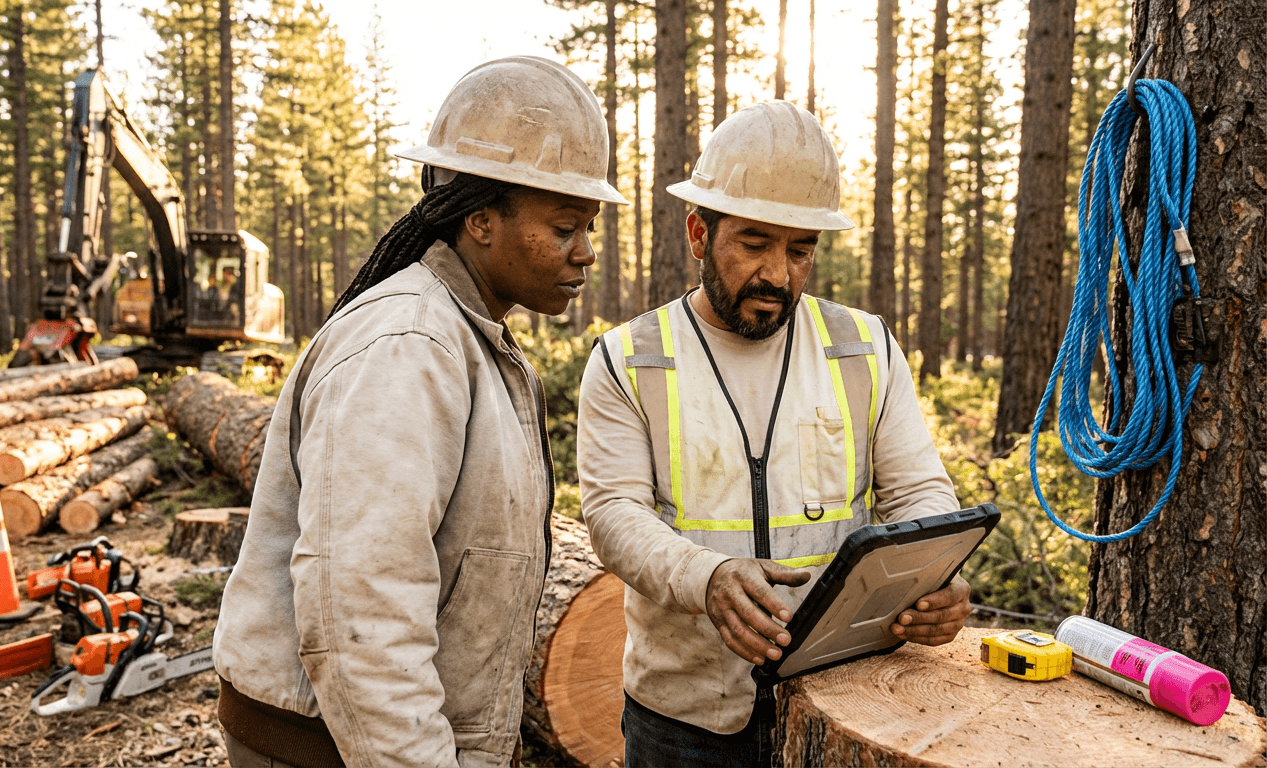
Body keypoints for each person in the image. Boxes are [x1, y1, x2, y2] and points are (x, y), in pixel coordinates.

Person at [213, 56, 626, 768]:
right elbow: (360, 611)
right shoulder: (408, 345)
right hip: (329, 747)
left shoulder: (469, 337)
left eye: (587, 226)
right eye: (565, 226)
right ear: (482, 219)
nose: (585, 252)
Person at [576, 100, 966, 768]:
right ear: (699, 233)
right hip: (683, 718)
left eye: (800, 250)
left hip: (845, 700)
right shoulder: (629, 358)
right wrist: (708, 576)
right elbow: (613, 514)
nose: (778, 275)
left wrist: (937, 576)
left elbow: (920, 492)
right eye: (754, 243)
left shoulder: (864, 348)